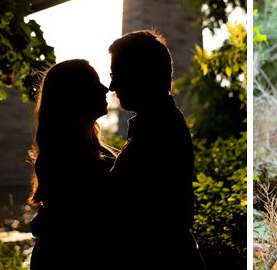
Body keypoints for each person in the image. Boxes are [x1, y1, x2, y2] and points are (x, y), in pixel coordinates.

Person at [107, 30, 203, 268]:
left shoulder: (159, 131)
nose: (111, 85)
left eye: (117, 74)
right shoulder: (158, 124)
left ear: (141, 74)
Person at [28, 59, 118, 269]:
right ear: (74, 96)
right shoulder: (67, 161)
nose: (105, 88)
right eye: (94, 83)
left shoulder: (93, 152)